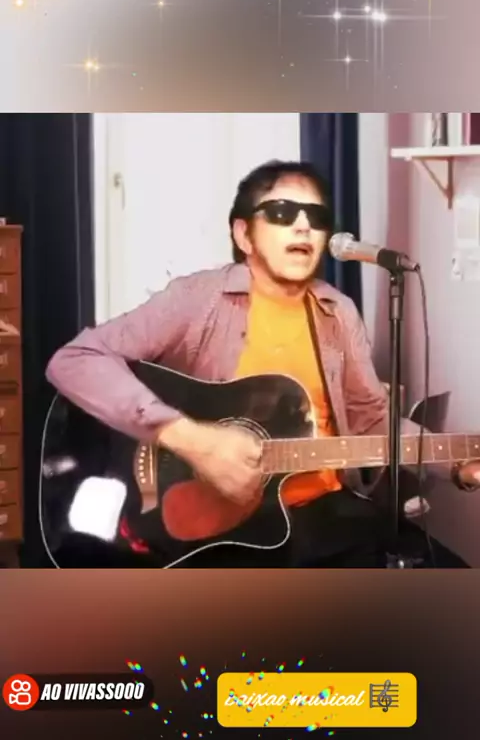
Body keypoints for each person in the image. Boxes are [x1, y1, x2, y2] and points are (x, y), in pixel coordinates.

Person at [46, 160, 468, 568]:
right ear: (244, 234)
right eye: (283, 212)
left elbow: (372, 420)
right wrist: (192, 440)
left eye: (316, 217)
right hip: (228, 529)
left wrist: (457, 462)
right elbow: (74, 359)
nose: (303, 226)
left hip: (329, 513)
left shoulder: (337, 312)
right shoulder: (197, 299)